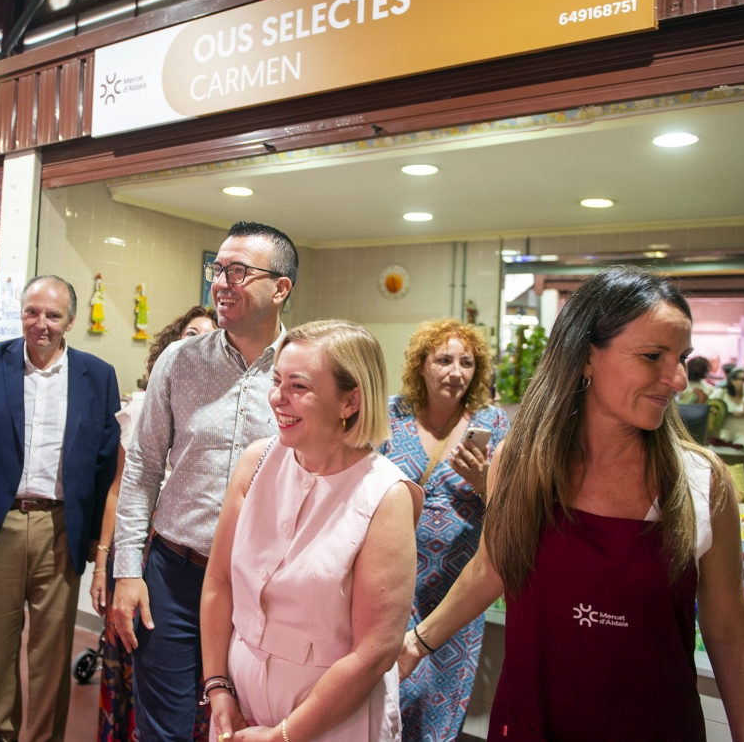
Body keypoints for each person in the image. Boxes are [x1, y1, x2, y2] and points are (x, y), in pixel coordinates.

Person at [399, 267, 744, 741]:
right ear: (587, 356)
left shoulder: (703, 481)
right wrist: (416, 643)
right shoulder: (520, 461)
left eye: (682, 357)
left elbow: (730, 634)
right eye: (653, 356)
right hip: (532, 723)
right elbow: (492, 567)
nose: (678, 380)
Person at [112, 221, 297, 742]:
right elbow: (144, 466)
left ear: (280, 287)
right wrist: (129, 571)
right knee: (162, 731)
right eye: (217, 269)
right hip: (174, 574)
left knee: (245, 724)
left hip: (261, 586)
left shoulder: (304, 368)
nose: (221, 282)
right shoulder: (180, 360)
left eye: (238, 271)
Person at [202, 320, 424, 742]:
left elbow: (375, 652)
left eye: (298, 387)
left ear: (350, 401)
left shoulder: (385, 495)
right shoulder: (257, 460)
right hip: (239, 703)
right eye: (276, 380)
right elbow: (218, 582)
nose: (277, 398)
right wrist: (218, 687)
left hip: (331, 720)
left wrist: (285, 734)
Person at [0, 275, 121, 742]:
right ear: (20, 312)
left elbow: (105, 462)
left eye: (53, 315)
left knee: (52, 649)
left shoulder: (97, 375)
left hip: (61, 526)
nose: (40, 324)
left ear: (71, 321)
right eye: (32, 312)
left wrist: (94, 540)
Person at [91, 306, 218, 742]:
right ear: (173, 340)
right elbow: (122, 486)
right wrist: (107, 560)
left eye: (209, 334)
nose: (198, 340)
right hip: (145, 549)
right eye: (190, 332)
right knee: (142, 673)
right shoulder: (145, 405)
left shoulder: (222, 405)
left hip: (202, 561)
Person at [381, 319, 508, 742]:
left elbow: (516, 511)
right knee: (390, 701)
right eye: (444, 360)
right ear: (421, 365)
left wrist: (483, 481)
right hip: (392, 586)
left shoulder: (494, 426)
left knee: (441, 710)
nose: (456, 371)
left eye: (467, 363)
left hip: (458, 595)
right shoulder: (390, 416)